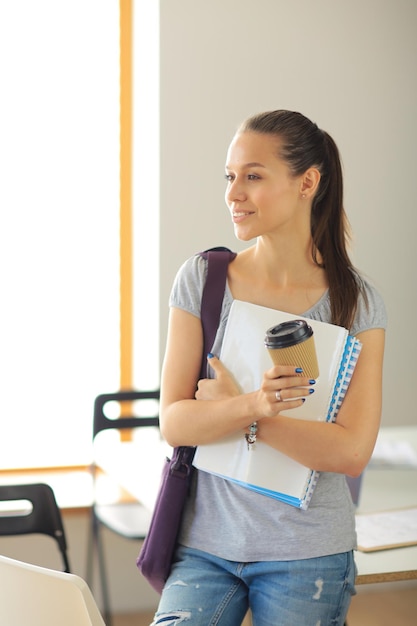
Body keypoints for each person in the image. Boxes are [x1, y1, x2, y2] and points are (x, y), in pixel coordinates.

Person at [151, 110, 386, 626]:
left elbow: (350, 452)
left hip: (308, 553)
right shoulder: (203, 280)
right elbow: (175, 422)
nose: (234, 192)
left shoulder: (356, 303)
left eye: (253, 176)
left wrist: (249, 412)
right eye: (230, 176)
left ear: (307, 182)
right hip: (204, 546)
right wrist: (254, 402)